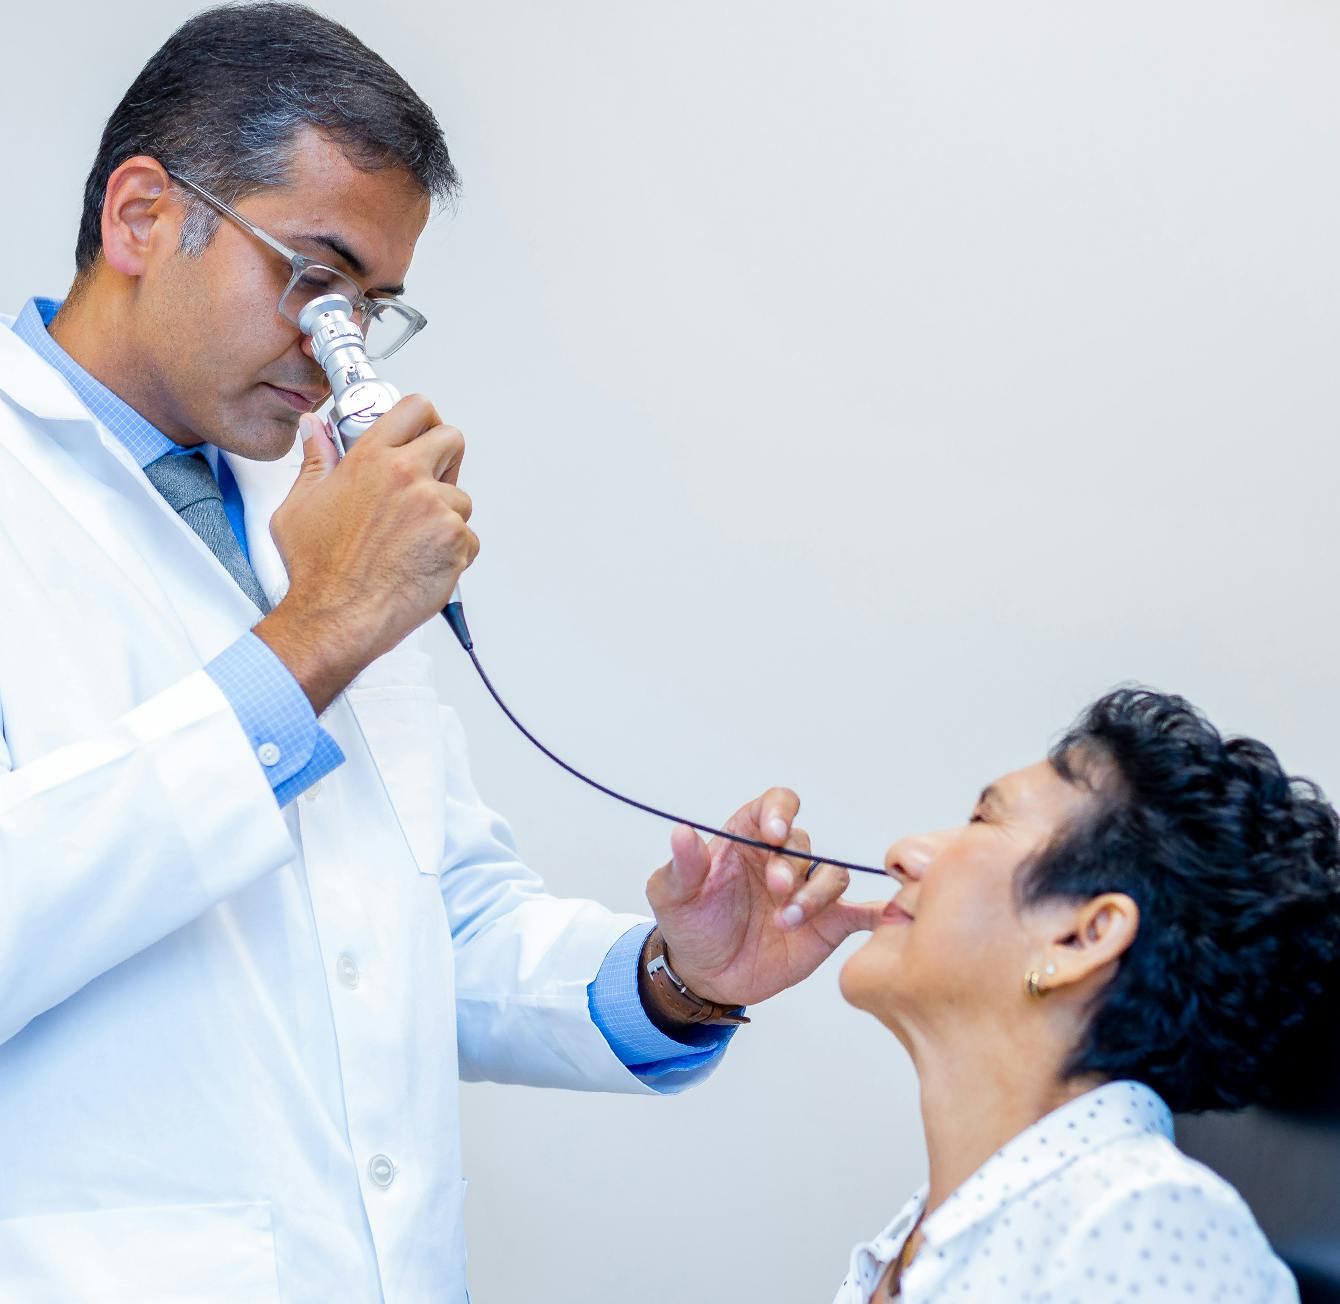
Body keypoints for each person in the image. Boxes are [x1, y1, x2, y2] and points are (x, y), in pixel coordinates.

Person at [0, 6, 883, 1301]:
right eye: (312, 277)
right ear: (141, 217)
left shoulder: (305, 516)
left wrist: (676, 977)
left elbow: (422, 928)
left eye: (373, 306)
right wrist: (316, 636)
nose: (334, 346)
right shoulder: (292, 564)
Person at [834, 688, 1340, 1303]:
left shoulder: (1145, 1225)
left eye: (983, 819)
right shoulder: (922, 1237)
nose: (903, 855)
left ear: (1083, 937)